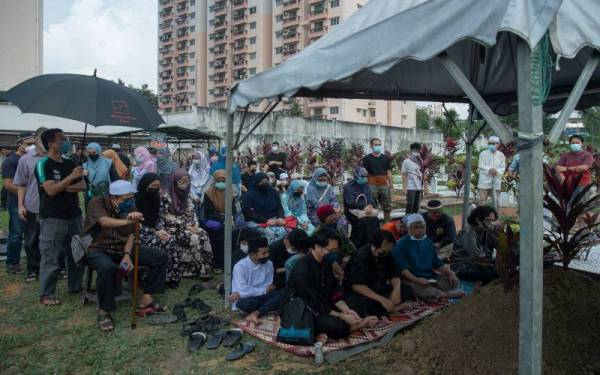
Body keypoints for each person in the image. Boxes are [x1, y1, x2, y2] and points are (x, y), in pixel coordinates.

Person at [84, 180, 168, 331]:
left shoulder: (130, 206)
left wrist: (127, 254)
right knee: (107, 267)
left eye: (131, 197)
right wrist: (128, 219)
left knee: (159, 256)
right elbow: (104, 222)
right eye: (127, 198)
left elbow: (132, 234)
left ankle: (146, 299)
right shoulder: (97, 203)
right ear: (114, 197)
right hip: (99, 248)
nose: (130, 201)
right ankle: (104, 311)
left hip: (122, 247)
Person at [285, 228, 378, 342]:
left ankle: (350, 322)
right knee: (336, 325)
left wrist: (346, 309)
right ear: (317, 246)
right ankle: (357, 326)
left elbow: (334, 288)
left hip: (325, 302)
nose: (334, 254)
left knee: (361, 304)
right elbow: (313, 303)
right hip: (307, 309)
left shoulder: (326, 262)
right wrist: (341, 316)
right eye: (331, 250)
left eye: (335, 251)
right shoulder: (302, 270)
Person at [35, 128, 86, 305]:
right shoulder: (44, 164)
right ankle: (47, 294)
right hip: (53, 218)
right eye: (62, 139)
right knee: (51, 256)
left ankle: (76, 286)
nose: (65, 142)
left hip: (75, 215)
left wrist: (61, 185)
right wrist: (69, 179)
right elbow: (50, 191)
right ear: (51, 143)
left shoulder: (70, 162)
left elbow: (82, 186)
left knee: (77, 253)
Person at [158, 168, 213, 288]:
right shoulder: (166, 196)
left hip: (189, 225)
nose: (184, 185)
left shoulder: (187, 196)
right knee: (193, 238)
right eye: (181, 182)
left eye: (186, 182)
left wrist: (196, 226)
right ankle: (201, 270)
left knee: (203, 235)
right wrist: (186, 226)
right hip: (173, 227)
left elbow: (192, 213)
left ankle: (206, 267)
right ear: (175, 182)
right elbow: (166, 216)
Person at [392, 214, 463, 302]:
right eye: (415, 227)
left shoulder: (427, 241)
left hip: (429, 277)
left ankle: (436, 294)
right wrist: (418, 280)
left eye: (422, 227)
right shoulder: (400, 245)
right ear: (408, 228)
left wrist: (450, 273)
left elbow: (437, 263)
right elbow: (403, 271)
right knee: (413, 288)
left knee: (452, 281)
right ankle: (443, 295)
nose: (419, 230)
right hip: (411, 279)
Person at [345, 230, 411, 317]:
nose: (386, 253)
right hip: (362, 293)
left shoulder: (386, 253)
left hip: (379, 289)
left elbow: (394, 272)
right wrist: (382, 300)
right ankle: (393, 308)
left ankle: (388, 307)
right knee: (366, 306)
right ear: (373, 246)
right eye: (383, 251)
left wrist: (396, 290)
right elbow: (357, 286)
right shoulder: (360, 257)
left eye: (388, 251)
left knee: (407, 289)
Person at [14, 127, 47, 281]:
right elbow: (21, 184)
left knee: (52, 240)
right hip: (33, 205)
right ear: (36, 139)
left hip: (53, 208)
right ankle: (33, 269)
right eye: (43, 138)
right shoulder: (26, 159)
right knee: (31, 241)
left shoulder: (58, 157)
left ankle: (55, 268)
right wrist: (21, 205)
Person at [229, 236, 286, 324]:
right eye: (263, 253)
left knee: (284, 293)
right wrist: (263, 290)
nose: (267, 255)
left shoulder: (269, 264)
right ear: (253, 255)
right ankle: (270, 306)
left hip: (261, 297)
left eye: (268, 252)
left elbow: (268, 285)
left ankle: (257, 312)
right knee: (243, 303)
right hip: (248, 299)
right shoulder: (240, 267)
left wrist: (262, 290)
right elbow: (244, 291)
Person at [2, 132, 35, 274]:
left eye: (34, 143)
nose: (32, 146)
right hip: (16, 203)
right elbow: (8, 185)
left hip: (32, 203)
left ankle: (32, 262)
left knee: (32, 233)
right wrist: (27, 194)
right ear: (19, 144)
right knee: (16, 233)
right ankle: (12, 263)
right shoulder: (10, 161)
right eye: (28, 143)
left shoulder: (33, 159)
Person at [203, 169, 240, 271]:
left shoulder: (231, 192)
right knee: (220, 234)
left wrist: (231, 217)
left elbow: (233, 209)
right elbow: (209, 212)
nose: (221, 183)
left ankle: (231, 262)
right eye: (218, 181)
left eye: (223, 181)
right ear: (214, 181)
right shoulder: (208, 193)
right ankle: (219, 264)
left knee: (236, 233)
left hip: (228, 220)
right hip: (214, 221)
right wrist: (223, 219)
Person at [452, 206, 498, 285]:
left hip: (478, 264)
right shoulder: (468, 233)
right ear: (477, 220)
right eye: (488, 220)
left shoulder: (486, 231)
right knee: (488, 273)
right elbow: (477, 256)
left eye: (492, 221)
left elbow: (499, 245)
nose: (490, 223)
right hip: (463, 267)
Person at [242, 172, 287, 244]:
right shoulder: (249, 195)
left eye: (266, 182)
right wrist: (266, 220)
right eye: (262, 183)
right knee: (272, 234)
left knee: (286, 231)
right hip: (256, 222)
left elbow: (279, 206)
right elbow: (248, 213)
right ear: (256, 183)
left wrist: (280, 217)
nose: (265, 184)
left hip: (273, 219)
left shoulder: (272, 191)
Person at [343, 166, 380, 249]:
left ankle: (373, 243)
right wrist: (364, 207)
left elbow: (370, 199)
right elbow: (350, 203)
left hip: (367, 209)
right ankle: (359, 244)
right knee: (364, 222)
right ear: (356, 175)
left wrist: (370, 205)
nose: (365, 178)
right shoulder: (348, 187)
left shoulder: (366, 185)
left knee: (375, 220)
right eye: (362, 176)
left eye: (366, 176)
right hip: (351, 211)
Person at [134, 172, 172, 250]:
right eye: (153, 185)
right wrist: (154, 232)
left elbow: (159, 216)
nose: (156, 188)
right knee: (161, 242)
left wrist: (161, 230)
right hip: (140, 232)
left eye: (158, 186)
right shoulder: (136, 199)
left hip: (155, 230)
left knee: (170, 239)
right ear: (145, 185)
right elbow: (135, 223)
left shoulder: (156, 198)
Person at [362, 138, 393, 222]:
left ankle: (387, 223)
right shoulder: (366, 158)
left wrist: (391, 183)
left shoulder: (385, 158)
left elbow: (389, 171)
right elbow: (364, 173)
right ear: (371, 146)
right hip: (372, 185)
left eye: (379, 145)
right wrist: (364, 185)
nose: (378, 146)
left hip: (384, 185)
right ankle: (373, 223)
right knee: (372, 205)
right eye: (376, 145)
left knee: (387, 206)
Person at [477, 136, 506, 205]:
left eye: (493, 143)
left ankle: (496, 215)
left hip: (496, 180)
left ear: (498, 144)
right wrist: (489, 169)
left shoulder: (501, 155)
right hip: (484, 181)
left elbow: (502, 167)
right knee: (482, 201)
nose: (491, 145)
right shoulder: (483, 154)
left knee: (496, 202)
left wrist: (497, 172)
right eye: (489, 143)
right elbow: (481, 165)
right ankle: (482, 215)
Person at [401, 143, 424, 214]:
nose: (417, 152)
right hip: (411, 186)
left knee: (417, 205)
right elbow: (404, 175)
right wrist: (404, 187)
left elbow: (424, 174)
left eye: (418, 150)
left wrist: (424, 186)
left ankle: (415, 220)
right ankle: (407, 219)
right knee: (410, 204)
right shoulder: (406, 161)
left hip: (419, 186)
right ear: (411, 150)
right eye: (415, 150)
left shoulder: (422, 161)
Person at [189, 151, 211, 220]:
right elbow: (188, 184)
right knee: (193, 216)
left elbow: (208, 185)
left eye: (197, 158)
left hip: (204, 199)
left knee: (202, 217)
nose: (195, 160)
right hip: (193, 198)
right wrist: (193, 196)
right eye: (194, 158)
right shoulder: (191, 170)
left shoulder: (207, 171)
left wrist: (202, 197)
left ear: (202, 158)